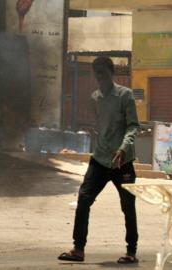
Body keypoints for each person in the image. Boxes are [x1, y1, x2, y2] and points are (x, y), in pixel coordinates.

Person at [58, 57, 140, 264]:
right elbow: (100, 126)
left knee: (128, 206)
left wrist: (123, 148)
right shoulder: (95, 98)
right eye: (97, 74)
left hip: (123, 162)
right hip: (100, 159)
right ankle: (78, 249)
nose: (100, 78)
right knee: (83, 199)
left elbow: (133, 126)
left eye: (103, 73)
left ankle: (131, 251)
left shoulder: (125, 95)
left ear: (111, 73)